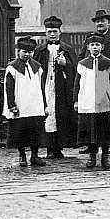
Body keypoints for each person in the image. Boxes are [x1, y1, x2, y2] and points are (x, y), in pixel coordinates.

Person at [33, 16, 77, 158]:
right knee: (48, 115)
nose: (52, 34)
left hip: (61, 88)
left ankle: (59, 148)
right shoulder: (40, 50)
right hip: (46, 86)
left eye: (55, 31)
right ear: (45, 32)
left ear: (60, 32)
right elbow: (34, 70)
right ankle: (49, 147)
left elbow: (76, 69)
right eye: (49, 31)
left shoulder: (67, 49)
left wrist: (66, 64)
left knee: (61, 115)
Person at [74, 34, 110, 170]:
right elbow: (77, 84)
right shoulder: (82, 64)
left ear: (102, 47)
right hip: (87, 102)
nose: (95, 47)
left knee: (104, 131)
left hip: (103, 102)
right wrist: (76, 100)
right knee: (90, 132)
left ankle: (105, 157)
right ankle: (92, 156)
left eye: (97, 45)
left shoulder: (109, 63)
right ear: (88, 47)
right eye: (92, 45)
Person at [3, 36, 46, 168]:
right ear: (18, 52)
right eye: (24, 52)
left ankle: (34, 155)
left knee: (35, 131)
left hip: (35, 105)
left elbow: (41, 86)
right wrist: (12, 105)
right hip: (21, 105)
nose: (27, 54)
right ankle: (22, 156)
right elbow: (9, 88)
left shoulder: (37, 67)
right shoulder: (12, 68)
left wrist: (45, 104)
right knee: (20, 132)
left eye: (30, 52)